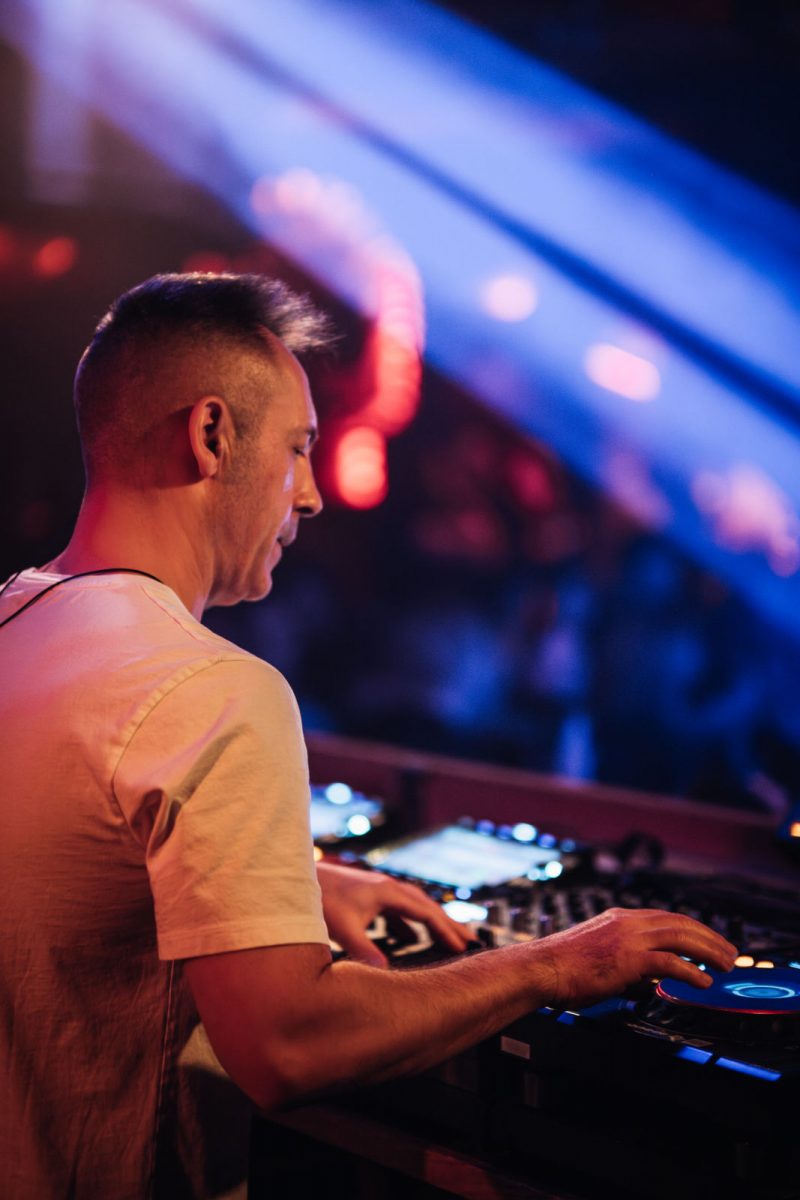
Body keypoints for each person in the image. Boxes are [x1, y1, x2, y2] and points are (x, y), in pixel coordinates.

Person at [0, 273, 738, 1200]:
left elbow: (63, 865)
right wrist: (557, 963)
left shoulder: (16, 622)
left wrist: (289, 884)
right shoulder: (211, 689)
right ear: (212, 434)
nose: (311, 495)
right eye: (298, 449)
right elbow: (286, 1046)